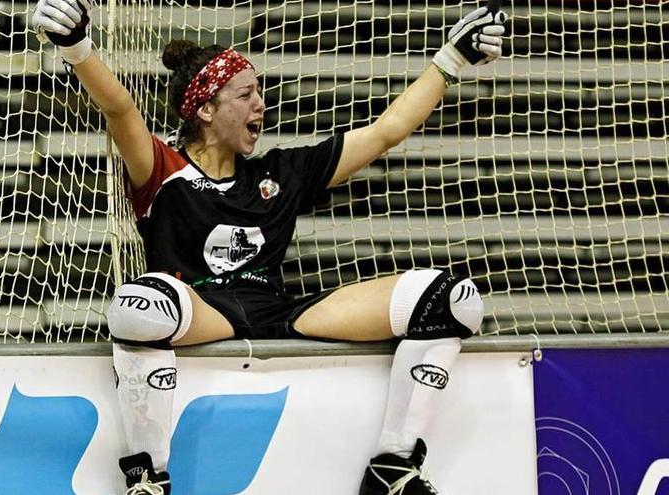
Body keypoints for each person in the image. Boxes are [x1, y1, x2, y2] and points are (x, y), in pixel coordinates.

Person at [32, 1, 507, 493]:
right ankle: (147, 476)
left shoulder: (279, 173)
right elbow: (119, 107)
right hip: (198, 308)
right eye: (246, 94)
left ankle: (394, 466)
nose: (261, 103)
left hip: (278, 310)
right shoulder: (162, 169)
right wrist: (77, 47)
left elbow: (386, 131)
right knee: (137, 307)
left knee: (453, 301)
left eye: (259, 91)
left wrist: (450, 61)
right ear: (206, 109)